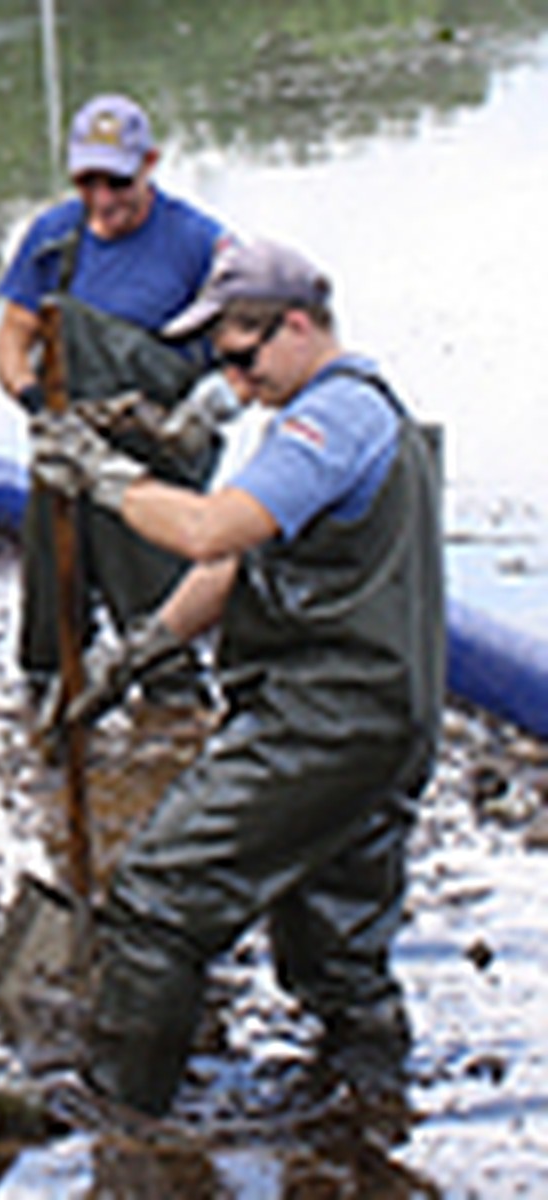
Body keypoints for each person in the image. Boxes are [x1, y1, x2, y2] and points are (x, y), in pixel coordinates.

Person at [31, 238, 445, 1120]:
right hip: (374, 715)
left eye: (243, 357)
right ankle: (368, 1106)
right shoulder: (335, 416)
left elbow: (211, 530)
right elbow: (235, 565)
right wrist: (135, 652)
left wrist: (103, 477)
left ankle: (120, 1111)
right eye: (221, 360)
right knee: (334, 940)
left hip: (326, 716)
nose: (236, 380)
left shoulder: (331, 423)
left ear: (298, 326)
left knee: (157, 899)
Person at [0, 93, 233, 695]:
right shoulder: (52, 239)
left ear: (150, 163)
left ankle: (172, 723)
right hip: (66, 448)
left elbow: (256, 348)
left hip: (150, 461)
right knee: (51, 642)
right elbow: (10, 340)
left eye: (117, 182)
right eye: (87, 181)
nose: (102, 199)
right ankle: (54, 712)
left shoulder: (199, 244)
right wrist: (33, 404)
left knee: (163, 647)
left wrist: (209, 409)